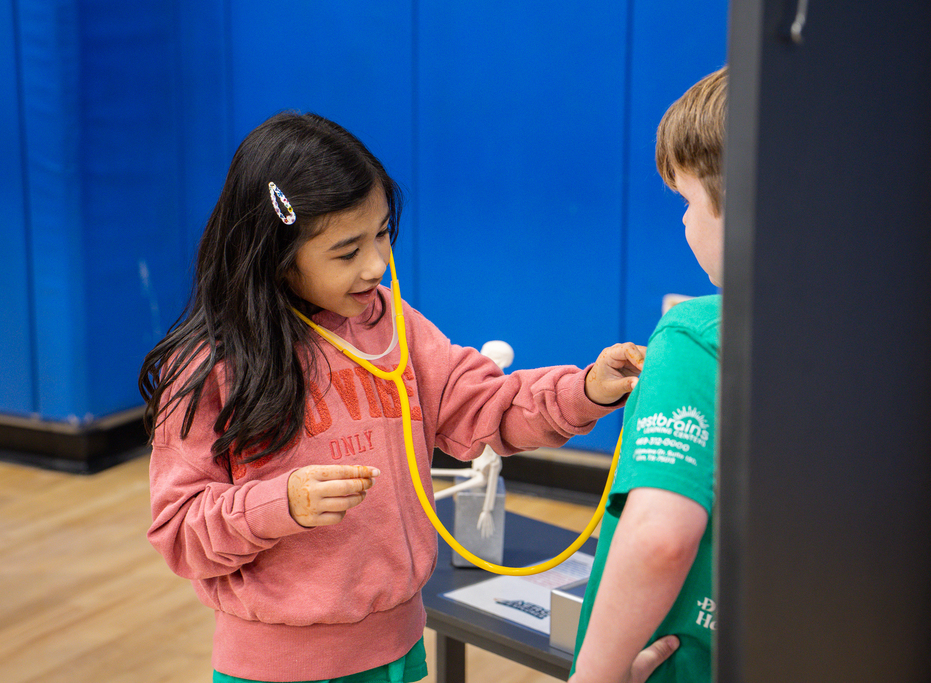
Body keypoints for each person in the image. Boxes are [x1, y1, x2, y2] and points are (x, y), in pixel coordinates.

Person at [139, 111, 651, 683]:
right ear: (274, 251)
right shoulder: (212, 365)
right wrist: (281, 505)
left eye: (382, 233)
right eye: (346, 251)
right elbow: (181, 532)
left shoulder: (391, 325)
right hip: (275, 668)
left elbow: (487, 406)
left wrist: (585, 391)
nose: (376, 266)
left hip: (399, 651)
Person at [570, 65, 728, 683]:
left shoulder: (695, 334)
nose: (685, 223)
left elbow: (661, 535)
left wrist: (597, 674)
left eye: (687, 202)